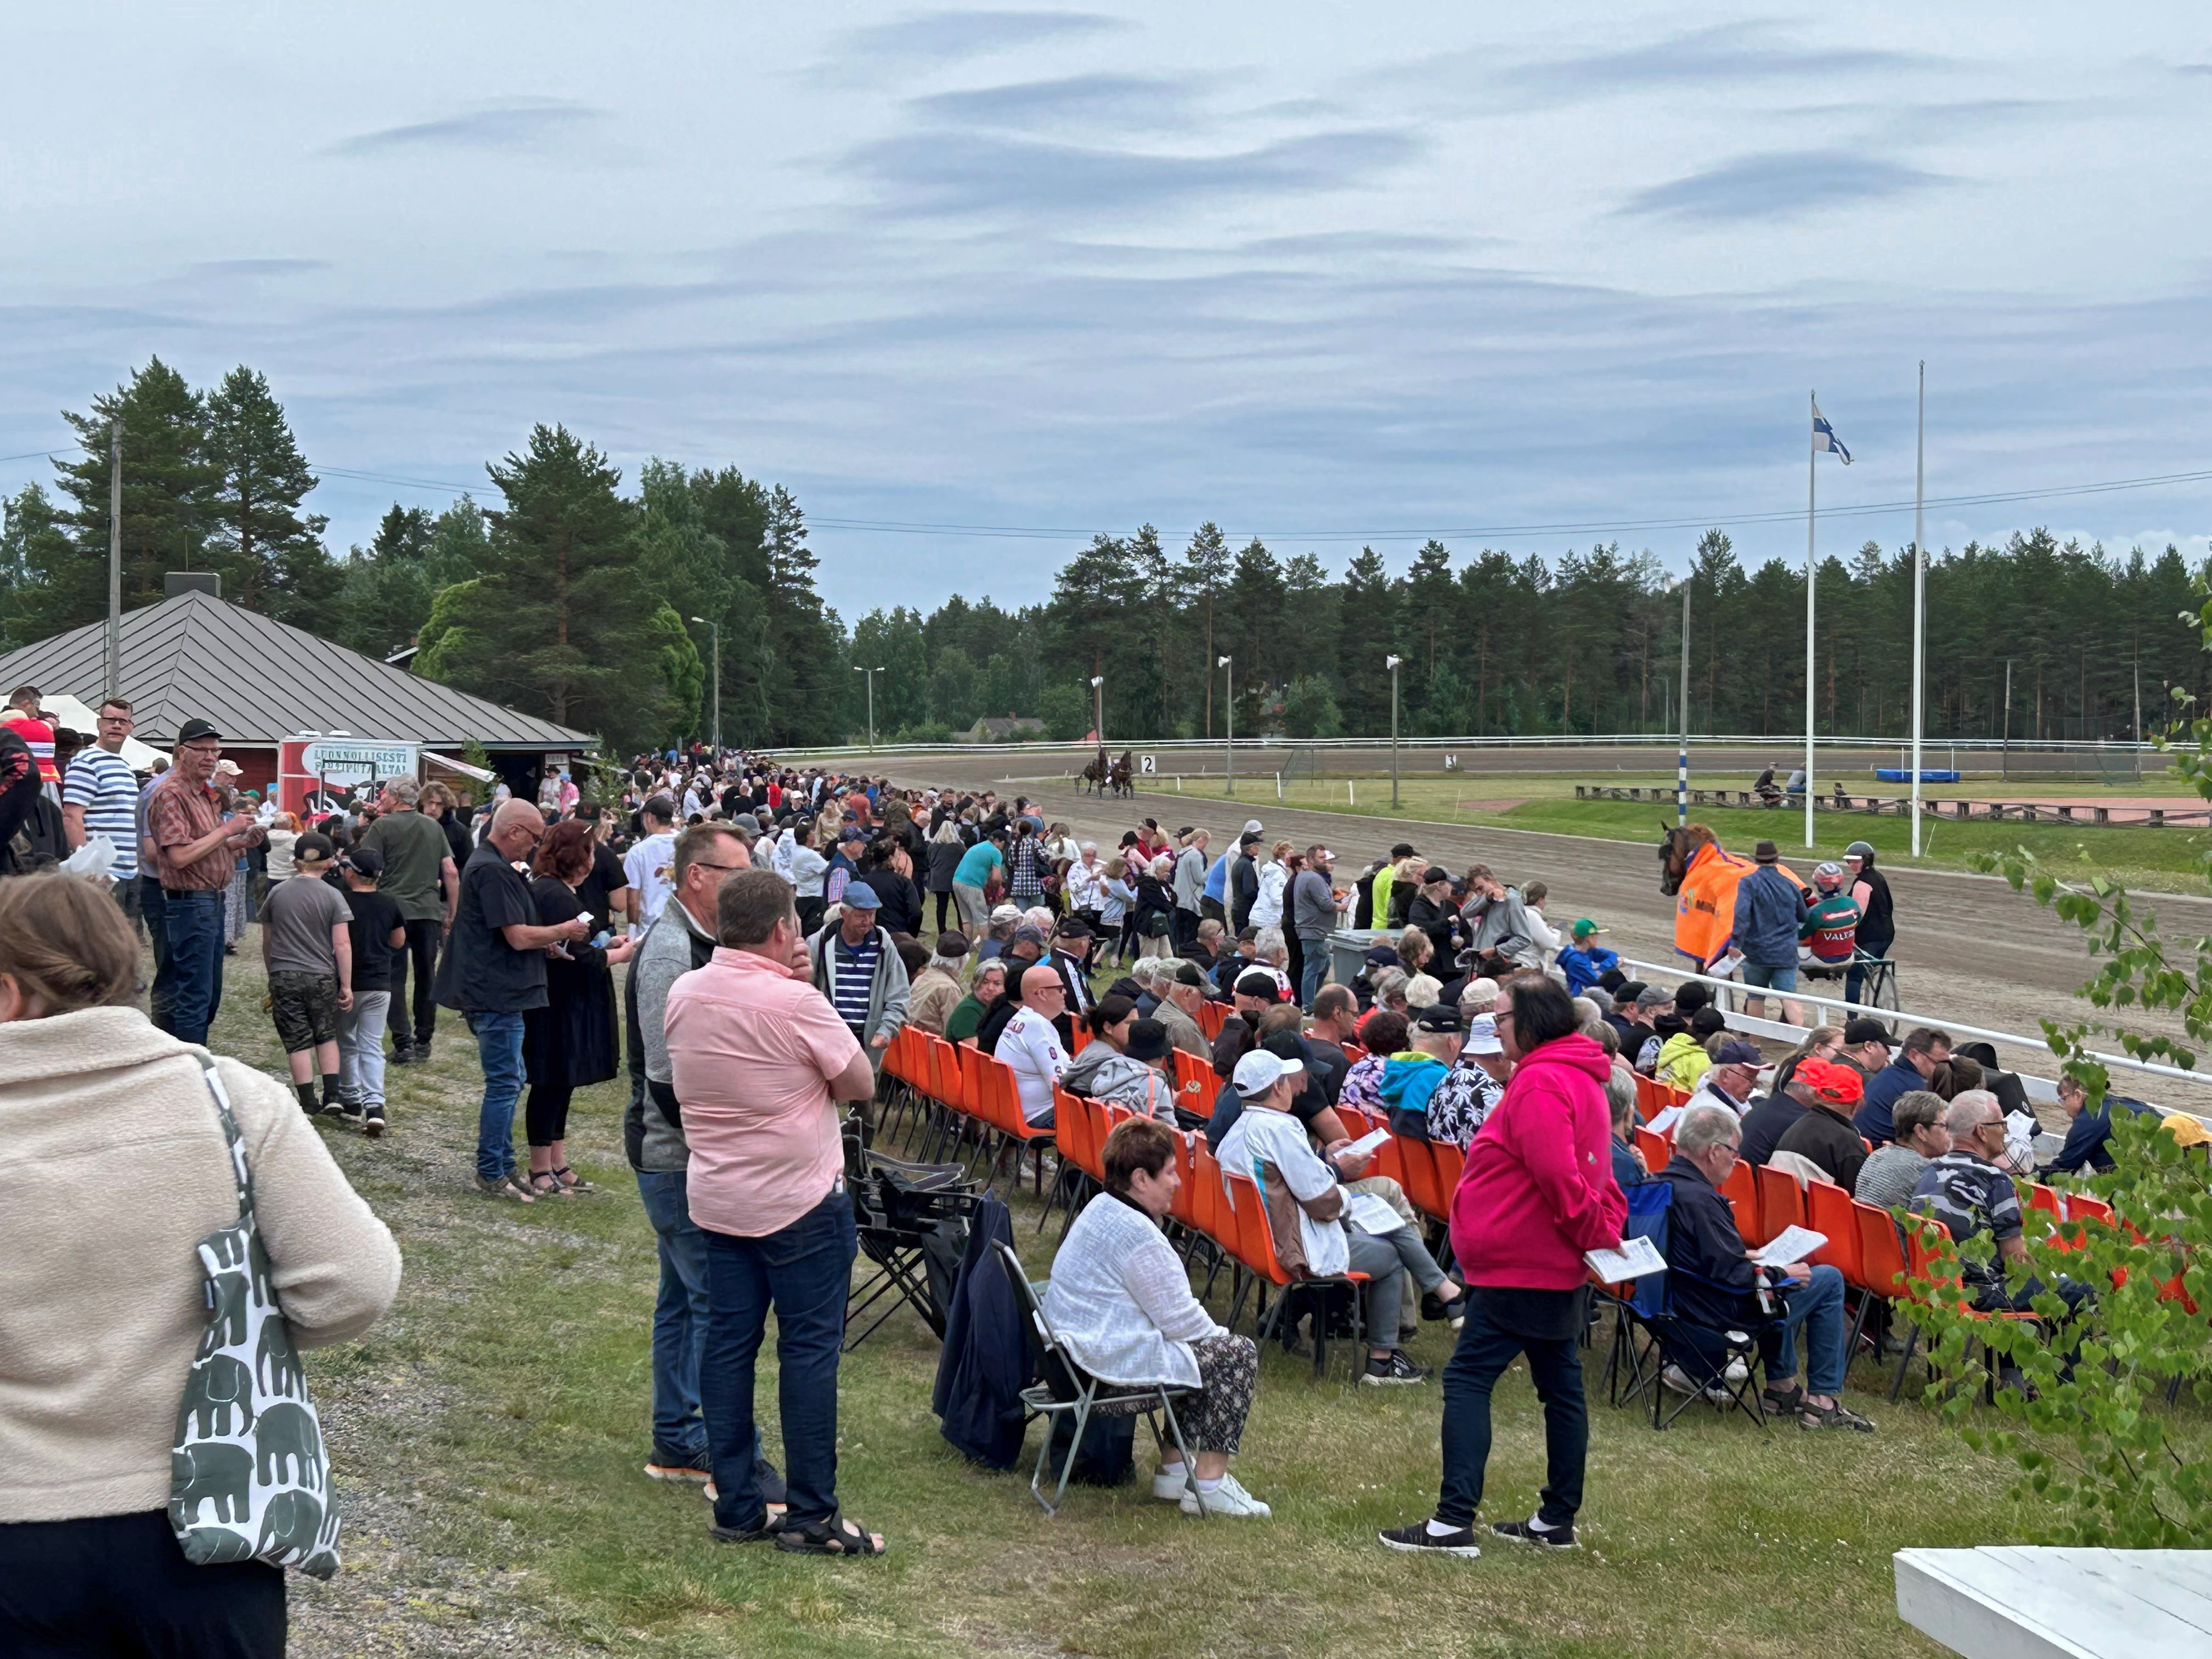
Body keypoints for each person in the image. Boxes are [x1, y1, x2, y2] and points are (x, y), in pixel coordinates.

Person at [0, 872, 400, 1657]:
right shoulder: (229, 1101)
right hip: (206, 1513)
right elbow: (353, 1283)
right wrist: (233, 1332)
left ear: (7, 995)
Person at [661, 869, 883, 1555]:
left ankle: (738, 1505)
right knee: (808, 1354)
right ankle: (813, 1515)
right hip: (799, 1199)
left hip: (721, 1195)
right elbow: (859, 1084)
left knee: (727, 1349)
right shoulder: (796, 1003)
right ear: (785, 930)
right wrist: (802, 991)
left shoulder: (684, 992)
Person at [1379, 973, 1629, 1558]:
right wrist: (1600, 1231)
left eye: (1503, 1017)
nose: (1493, 1028)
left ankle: (1452, 1521)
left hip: (1524, 1263)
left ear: (1533, 1021)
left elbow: (1562, 1178)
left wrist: (1597, 1231)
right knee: (1561, 1387)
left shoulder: (1543, 1082)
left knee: (1469, 1380)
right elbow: (1595, 1169)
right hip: (1542, 1260)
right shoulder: (1573, 1075)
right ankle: (1555, 1519)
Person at [624, 823, 781, 1500]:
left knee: (683, 1302)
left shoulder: (702, 943)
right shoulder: (669, 953)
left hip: (683, 1153)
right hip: (677, 1154)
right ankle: (716, 1446)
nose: (747, 885)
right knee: (716, 1306)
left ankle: (678, 1436)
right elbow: (666, 1075)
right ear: (696, 876)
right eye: (735, 872)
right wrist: (726, 1146)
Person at [1041, 1117, 1270, 1517]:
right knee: (1234, 1354)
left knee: (1189, 1352)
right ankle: (1211, 1485)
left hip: (1069, 1361)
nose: (1177, 1182)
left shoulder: (1100, 1208)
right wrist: (1225, 1345)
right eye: (1170, 1172)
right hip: (1098, 1373)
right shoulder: (1139, 1235)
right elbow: (1183, 1321)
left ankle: (1174, 1472)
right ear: (1141, 1179)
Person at [1215, 1049, 1458, 1386]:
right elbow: (1322, 1201)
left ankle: (1445, 1292)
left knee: (1383, 1218)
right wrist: (1347, 1200)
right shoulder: (1280, 1130)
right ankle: (1383, 1363)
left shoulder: (1237, 1131)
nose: (1297, 1088)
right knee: (1390, 1253)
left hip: (1267, 1239)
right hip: (1294, 1245)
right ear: (1277, 1087)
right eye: (1289, 1081)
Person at [1655, 1105, 1874, 1430]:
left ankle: (1783, 1388)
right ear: (1714, 1152)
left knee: (1775, 1286)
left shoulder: (1659, 1183)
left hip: (1673, 1302)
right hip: (1716, 1311)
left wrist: (1747, 1256)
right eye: (1733, 1151)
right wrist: (1782, 1273)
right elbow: (1736, 1279)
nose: (1736, 1158)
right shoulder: (1702, 1200)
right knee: (1825, 1279)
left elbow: (1699, 1256)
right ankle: (1822, 1401)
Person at [433, 799, 591, 1201]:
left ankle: (503, 1166)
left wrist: (548, 946)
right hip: (495, 993)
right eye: (534, 838)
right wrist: (565, 930)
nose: (536, 848)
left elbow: (516, 934)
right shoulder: (491, 871)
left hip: (501, 990)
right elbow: (517, 936)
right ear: (514, 831)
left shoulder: (495, 868)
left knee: (511, 1080)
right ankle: (491, 1171)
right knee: (504, 1083)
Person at [523, 820, 637, 1197]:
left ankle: (558, 1162)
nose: (593, 859)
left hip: (568, 1001)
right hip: (558, 1003)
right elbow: (575, 957)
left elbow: (579, 949)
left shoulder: (560, 891)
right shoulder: (553, 894)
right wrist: (617, 955)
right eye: (589, 852)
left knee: (563, 1082)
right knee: (550, 1081)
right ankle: (540, 1168)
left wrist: (605, 946)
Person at [1914, 1094, 2095, 1325]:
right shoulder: (1995, 1179)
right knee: (2078, 1288)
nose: (2006, 1131)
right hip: (1983, 1291)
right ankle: (2064, 1361)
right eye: (2001, 1124)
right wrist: (2049, 1276)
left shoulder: (1929, 1170)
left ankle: (2014, 1359)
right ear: (1981, 1132)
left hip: (1934, 1284)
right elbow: (2014, 1259)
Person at [146, 719, 267, 1046]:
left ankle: (178, 1058)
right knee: (194, 997)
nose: (210, 757)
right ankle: (189, 1068)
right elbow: (180, 857)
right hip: (190, 903)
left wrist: (239, 840)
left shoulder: (205, 794)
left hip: (211, 900)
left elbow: (206, 845)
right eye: (202, 750)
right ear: (182, 752)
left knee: (208, 994)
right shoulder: (172, 793)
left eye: (215, 750)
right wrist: (227, 831)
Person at [359, 777, 461, 1066]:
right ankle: (424, 1040)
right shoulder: (433, 827)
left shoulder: (382, 826)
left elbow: (367, 864)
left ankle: (402, 1043)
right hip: (428, 910)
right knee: (426, 975)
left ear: (393, 798)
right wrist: (451, 911)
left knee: (394, 976)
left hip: (393, 911)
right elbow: (451, 871)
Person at [259, 830, 353, 1119]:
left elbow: (267, 940)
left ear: (296, 861)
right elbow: (342, 944)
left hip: (285, 973)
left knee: (297, 1039)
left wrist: (273, 972)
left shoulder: (278, 892)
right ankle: (333, 1094)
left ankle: (308, 1101)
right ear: (328, 863)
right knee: (325, 1034)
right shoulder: (333, 896)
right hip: (321, 975)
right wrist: (346, 985)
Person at [334, 844, 405, 1136]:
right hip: (380, 983)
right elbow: (399, 941)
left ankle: (350, 1097)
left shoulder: (340, 902)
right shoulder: (389, 903)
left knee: (345, 1041)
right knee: (372, 1044)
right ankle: (375, 1105)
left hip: (348, 983)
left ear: (351, 873)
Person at [804, 884, 911, 1064]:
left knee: (864, 1092)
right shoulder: (819, 943)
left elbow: (899, 995)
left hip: (868, 1042)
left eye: (872, 915)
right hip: (829, 1040)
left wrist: (886, 1029)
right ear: (844, 913)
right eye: (861, 916)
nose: (868, 921)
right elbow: (804, 991)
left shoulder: (884, 945)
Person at [59, 696, 142, 924]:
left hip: (129, 870)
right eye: (110, 720)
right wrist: (87, 869)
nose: (116, 726)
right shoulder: (86, 762)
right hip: (102, 873)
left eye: (123, 722)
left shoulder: (125, 766)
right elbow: (72, 815)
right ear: (99, 724)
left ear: (131, 727)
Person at [1772, 1058, 1871, 1192]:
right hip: (1817, 1212)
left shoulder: (1797, 1126)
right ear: (1858, 1103)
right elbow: (1865, 1197)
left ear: (1816, 1095)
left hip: (1780, 1209)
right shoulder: (1848, 1144)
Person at [1733, 840, 1804, 1025]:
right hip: (1785, 952)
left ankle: (1755, 1044)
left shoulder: (1747, 883)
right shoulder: (1790, 884)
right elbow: (1804, 915)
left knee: (1756, 997)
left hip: (1756, 952)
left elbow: (1741, 916)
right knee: (1789, 998)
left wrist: (1735, 944)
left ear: (1756, 860)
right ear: (1777, 859)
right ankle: (1801, 1041)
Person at [1854, 1090, 1950, 1214]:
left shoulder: (1877, 1155)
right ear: (1921, 1131)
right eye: (1944, 1126)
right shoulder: (1926, 1171)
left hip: (1863, 1232)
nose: (1951, 1133)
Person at [998, 964, 1070, 1127]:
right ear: (1042, 993)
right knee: (1107, 1117)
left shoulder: (1022, 1018)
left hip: (1018, 1110)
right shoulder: (1037, 1026)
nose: (1065, 992)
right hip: (1039, 1115)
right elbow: (1060, 1083)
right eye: (1060, 988)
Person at [1855, 1025, 1949, 1147]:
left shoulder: (1889, 1074)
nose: (1945, 1069)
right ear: (1914, 1055)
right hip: (1879, 1152)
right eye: (1939, 1063)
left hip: (1866, 1147)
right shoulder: (1916, 1089)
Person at [1842, 840, 1894, 1007]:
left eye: (1856, 861)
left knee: (1854, 976)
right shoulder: (1878, 877)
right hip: (1886, 935)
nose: (1852, 865)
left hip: (1870, 937)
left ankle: (1852, 1019)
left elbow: (1857, 916)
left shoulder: (1862, 884)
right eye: (1850, 861)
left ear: (1866, 861)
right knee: (1871, 968)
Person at [1290, 844, 1339, 1008]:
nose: (1325, 860)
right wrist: (1344, 906)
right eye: (1322, 857)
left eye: (1325, 857)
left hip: (1313, 929)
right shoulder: (1312, 878)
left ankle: (1312, 1002)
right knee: (1314, 968)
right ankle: (1309, 1006)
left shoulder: (1306, 876)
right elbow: (1325, 904)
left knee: (1321, 966)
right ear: (1311, 859)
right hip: (1314, 930)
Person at [623, 795, 680, 936]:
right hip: (682, 924)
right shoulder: (688, 844)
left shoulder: (638, 851)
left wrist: (632, 931)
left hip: (650, 928)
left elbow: (633, 898)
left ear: (649, 818)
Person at [1798, 861, 1862, 972]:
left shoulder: (1817, 911)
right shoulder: (1853, 904)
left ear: (1819, 885)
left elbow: (1801, 935)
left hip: (1821, 962)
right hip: (1849, 959)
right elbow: (1858, 921)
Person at [907, 930, 969, 1034]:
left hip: (912, 1042)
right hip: (932, 1046)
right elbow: (954, 1030)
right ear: (961, 961)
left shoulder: (923, 977)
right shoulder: (949, 989)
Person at [1154, 959, 1214, 1059]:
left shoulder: (1163, 1009)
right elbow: (1206, 1065)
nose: (1203, 1002)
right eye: (1202, 996)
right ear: (1188, 993)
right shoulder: (1184, 1026)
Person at [952, 829, 1005, 934]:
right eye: (1003, 844)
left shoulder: (978, 846)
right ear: (997, 841)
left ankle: (967, 945)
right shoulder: (996, 852)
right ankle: (985, 946)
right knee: (983, 919)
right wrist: (997, 891)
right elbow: (996, 878)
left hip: (957, 881)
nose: (1003, 848)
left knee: (966, 918)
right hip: (972, 884)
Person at [945, 957, 1006, 1045]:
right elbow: (972, 1052)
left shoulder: (995, 1008)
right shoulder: (969, 1010)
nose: (990, 988)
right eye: (985, 982)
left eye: (997, 984)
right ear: (975, 983)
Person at [1555, 918, 1616, 996]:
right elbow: (1597, 981)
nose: (1597, 938)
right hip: (1579, 999)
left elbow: (1612, 955)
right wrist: (1604, 969)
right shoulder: (1575, 960)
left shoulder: (1585, 951)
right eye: (1595, 936)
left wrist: (1602, 969)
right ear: (1588, 938)